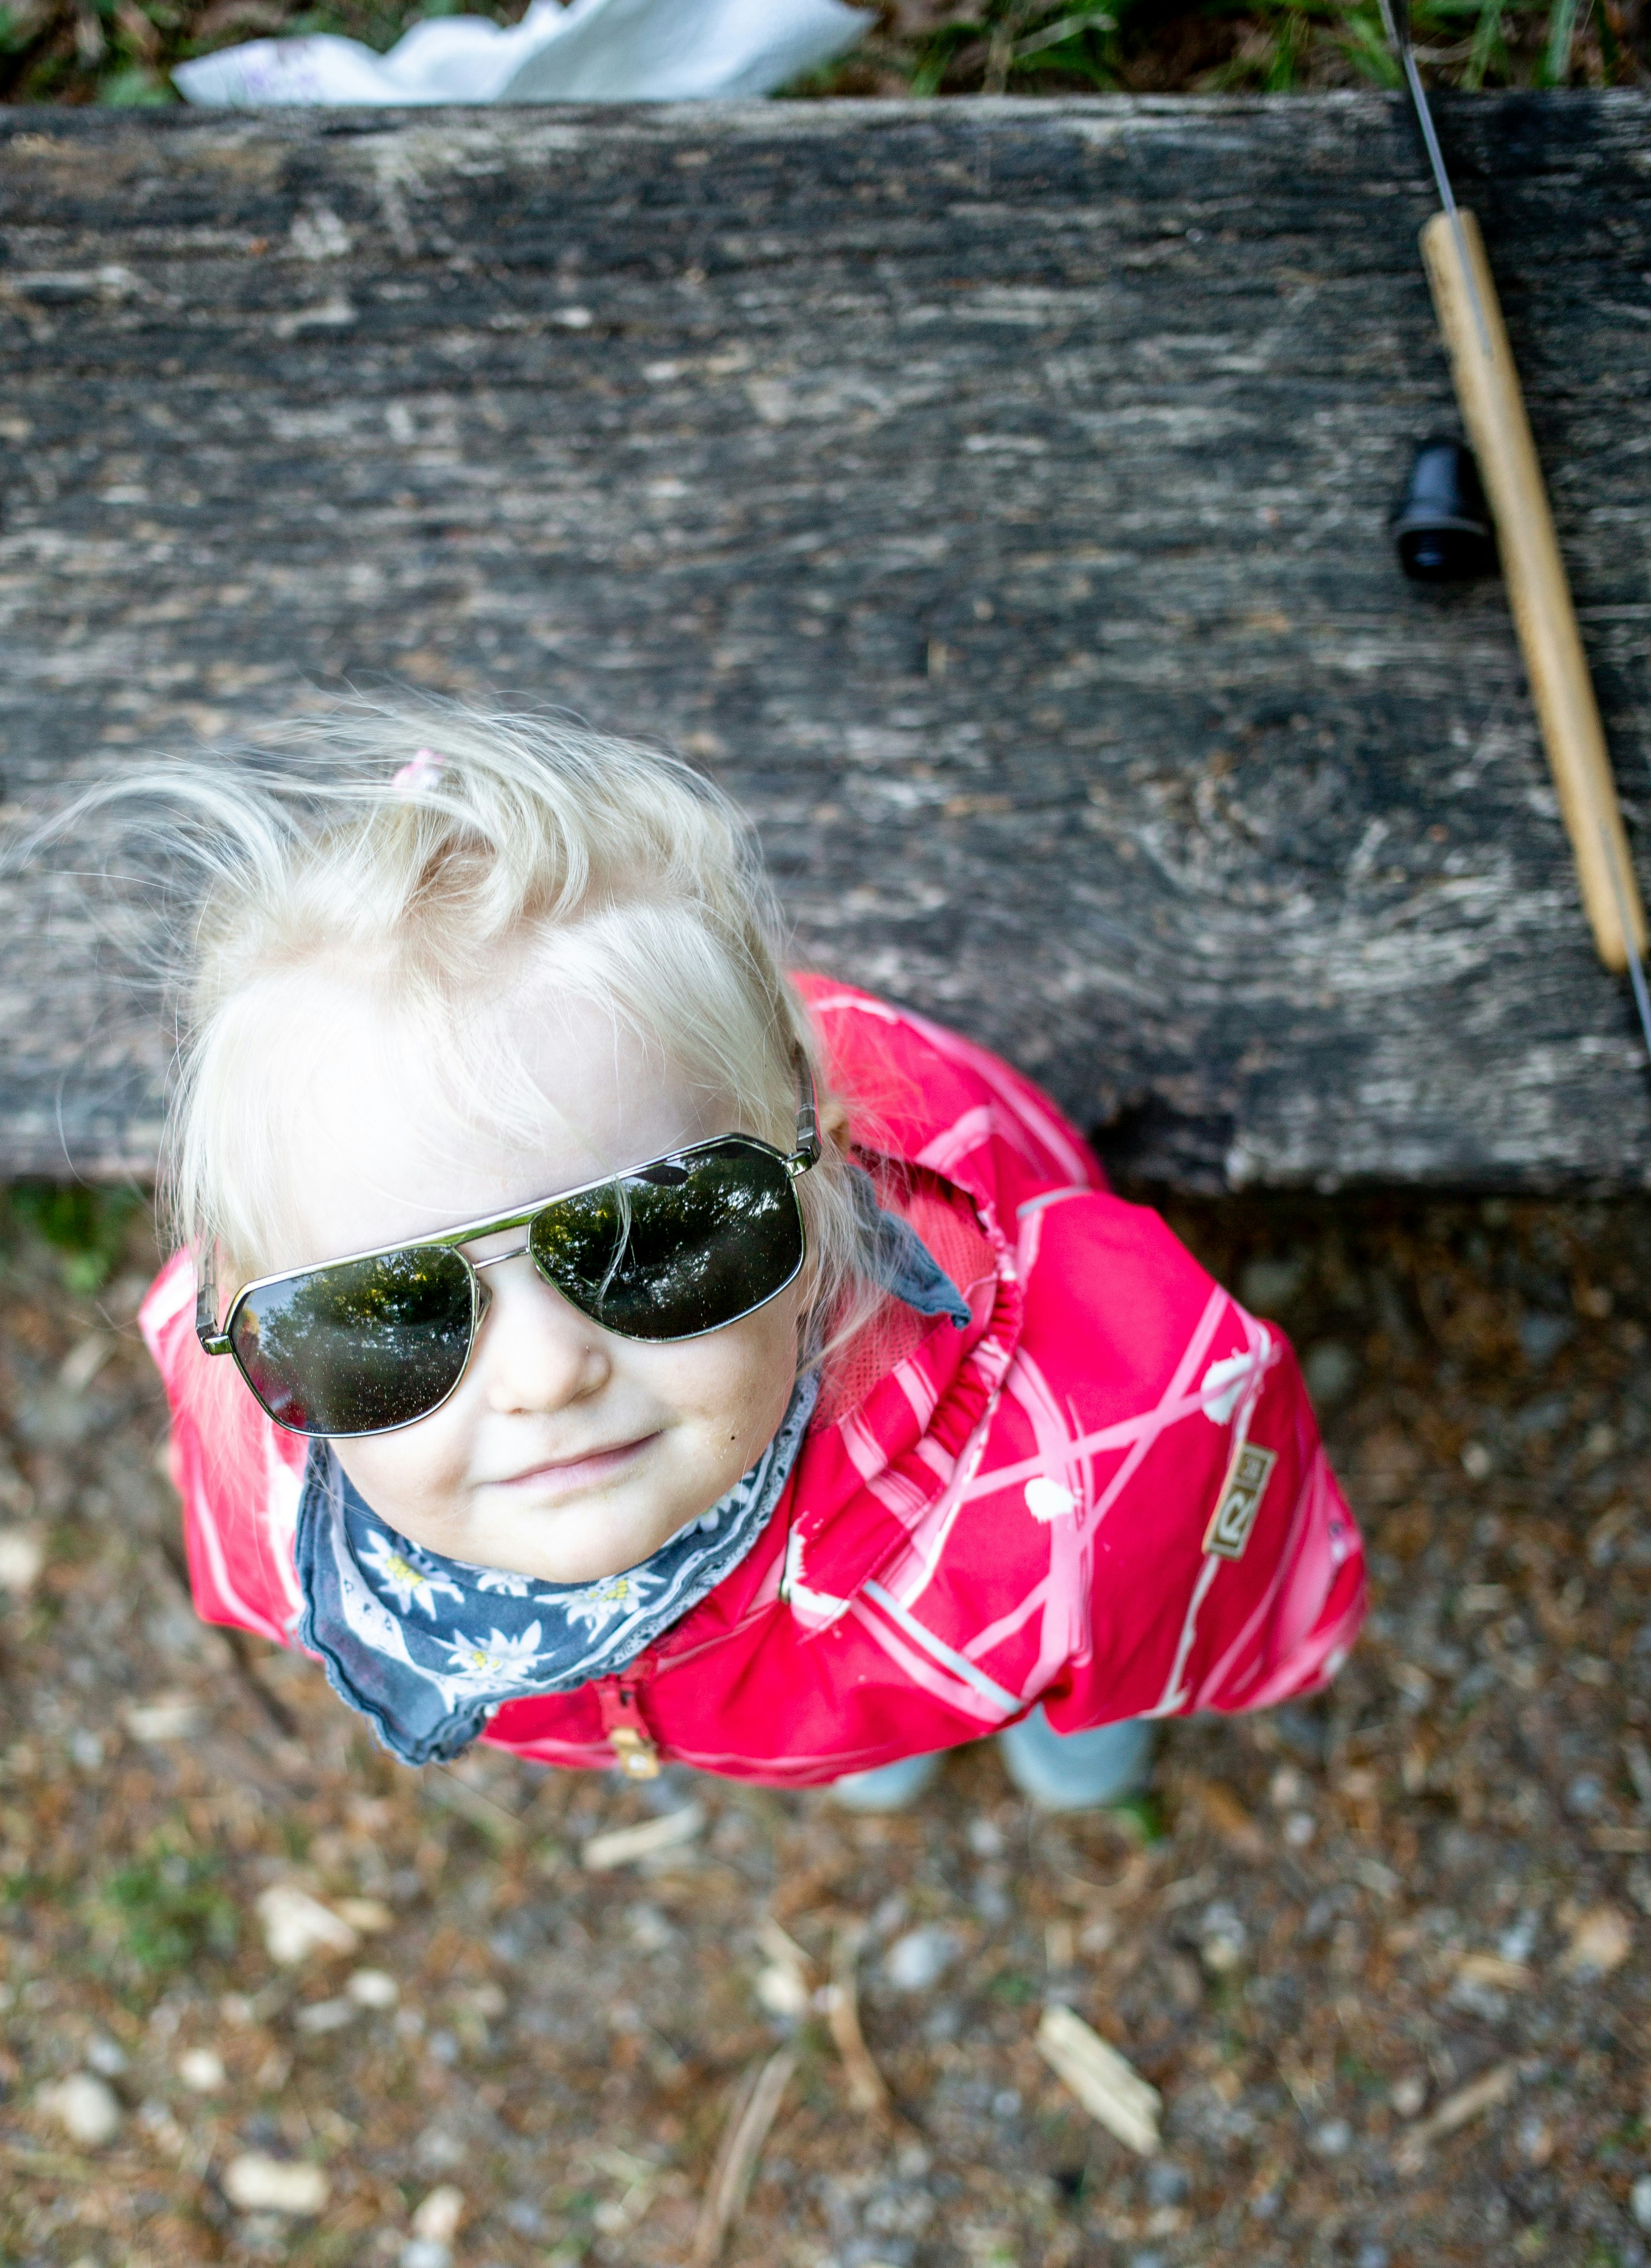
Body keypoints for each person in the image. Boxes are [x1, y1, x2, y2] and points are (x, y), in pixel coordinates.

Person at [106, 702, 1364, 1808]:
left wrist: (1140, 1667)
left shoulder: (1074, 1483)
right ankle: (870, 1737)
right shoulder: (270, 1483)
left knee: (1031, 1684)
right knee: (871, 1720)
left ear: (809, 1171)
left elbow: (1220, 1571)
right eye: (390, 1313)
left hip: (987, 1608)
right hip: (825, 1664)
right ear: (250, 1316)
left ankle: (1019, 1724)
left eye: (654, 1231)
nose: (546, 1375)